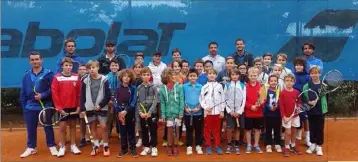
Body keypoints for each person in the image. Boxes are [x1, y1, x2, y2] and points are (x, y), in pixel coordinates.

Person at [20, 51, 58, 158]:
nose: (35, 61)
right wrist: (24, 108)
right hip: (29, 107)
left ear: (41, 60)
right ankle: (31, 147)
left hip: (45, 106)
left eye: (37, 59)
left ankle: (51, 145)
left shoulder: (49, 74)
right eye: (32, 60)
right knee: (31, 128)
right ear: (29, 61)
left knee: (48, 126)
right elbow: (23, 92)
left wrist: (43, 95)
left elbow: (53, 89)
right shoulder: (26, 75)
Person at [52, 57, 82, 157]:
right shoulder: (57, 77)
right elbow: (55, 94)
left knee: (73, 127)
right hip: (62, 108)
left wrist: (78, 106)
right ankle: (62, 147)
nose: (68, 67)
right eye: (66, 65)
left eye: (70, 65)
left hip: (73, 107)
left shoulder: (77, 77)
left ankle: (73, 145)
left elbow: (79, 93)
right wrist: (59, 108)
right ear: (62, 66)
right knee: (62, 127)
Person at [80, 60, 111, 156]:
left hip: (101, 108)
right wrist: (82, 108)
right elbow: (82, 95)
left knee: (103, 126)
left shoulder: (104, 79)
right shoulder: (85, 80)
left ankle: (105, 146)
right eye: (89, 68)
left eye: (93, 67)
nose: (91, 70)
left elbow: (108, 95)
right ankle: (96, 146)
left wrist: (100, 105)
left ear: (98, 67)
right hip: (89, 107)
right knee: (92, 127)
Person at [159, 68, 184, 156]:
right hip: (168, 114)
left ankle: (176, 146)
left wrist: (181, 112)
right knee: (169, 130)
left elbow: (181, 100)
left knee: (177, 130)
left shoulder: (179, 87)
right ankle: (169, 146)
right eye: (171, 75)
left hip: (177, 113)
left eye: (174, 75)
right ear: (166, 77)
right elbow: (162, 103)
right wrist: (163, 114)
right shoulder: (162, 89)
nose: (174, 76)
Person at [199, 69, 225, 155]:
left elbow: (222, 99)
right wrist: (206, 108)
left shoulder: (220, 86)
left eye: (214, 73)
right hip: (208, 113)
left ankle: (217, 146)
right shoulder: (204, 87)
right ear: (207, 75)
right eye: (210, 73)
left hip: (217, 113)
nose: (212, 75)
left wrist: (221, 111)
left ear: (216, 75)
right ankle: (208, 146)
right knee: (207, 130)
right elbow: (201, 100)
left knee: (217, 130)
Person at [304, 66, 327, 156]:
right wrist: (309, 102)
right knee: (312, 128)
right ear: (310, 74)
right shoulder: (307, 85)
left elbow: (326, 97)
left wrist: (323, 106)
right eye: (312, 73)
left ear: (320, 74)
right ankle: (312, 144)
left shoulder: (324, 85)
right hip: (311, 110)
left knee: (319, 128)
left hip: (320, 110)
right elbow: (304, 97)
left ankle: (319, 146)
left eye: (316, 73)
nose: (314, 75)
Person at [115, 69, 138, 158]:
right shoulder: (118, 88)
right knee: (123, 132)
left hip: (130, 113)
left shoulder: (133, 88)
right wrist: (119, 111)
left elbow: (134, 101)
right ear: (121, 77)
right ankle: (123, 149)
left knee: (131, 131)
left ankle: (133, 148)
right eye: (124, 76)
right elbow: (115, 100)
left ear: (131, 78)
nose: (126, 78)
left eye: (128, 76)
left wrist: (126, 110)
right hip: (120, 114)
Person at [137, 67, 159, 157]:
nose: (146, 76)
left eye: (147, 75)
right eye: (144, 75)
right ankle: (146, 146)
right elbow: (137, 101)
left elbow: (155, 101)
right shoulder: (139, 88)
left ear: (150, 76)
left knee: (153, 130)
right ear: (141, 76)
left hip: (152, 113)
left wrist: (150, 112)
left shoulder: (153, 87)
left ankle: (154, 147)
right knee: (144, 130)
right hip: (143, 114)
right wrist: (140, 112)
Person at [224, 68, 246, 155]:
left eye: (236, 74)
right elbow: (225, 99)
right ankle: (229, 144)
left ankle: (236, 144)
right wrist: (229, 111)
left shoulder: (243, 85)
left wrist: (239, 111)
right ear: (230, 76)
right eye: (232, 75)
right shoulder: (227, 85)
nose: (234, 76)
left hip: (239, 112)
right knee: (229, 129)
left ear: (239, 76)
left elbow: (244, 99)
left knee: (237, 128)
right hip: (230, 112)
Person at [279, 74, 302, 157]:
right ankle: (286, 147)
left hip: (295, 116)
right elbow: (281, 105)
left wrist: (298, 108)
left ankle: (293, 146)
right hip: (286, 117)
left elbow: (299, 103)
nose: (289, 83)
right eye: (287, 81)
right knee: (287, 132)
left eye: (291, 81)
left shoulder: (297, 92)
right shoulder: (282, 93)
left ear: (294, 82)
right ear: (284, 82)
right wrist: (283, 116)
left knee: (294, 131)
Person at [183, 68, 204, 155]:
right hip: (188, 112)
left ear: (197, 77)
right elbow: (182, 98)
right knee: (189, 129)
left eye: (194, 76)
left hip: (198, 112)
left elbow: (203, 99)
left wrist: (199, 107)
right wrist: (185, 108)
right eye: (191, 76)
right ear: (188, 77)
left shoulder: (201, 87)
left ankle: (198, 145)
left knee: (198, 130)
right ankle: (189, 146)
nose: (192, 78)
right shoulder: (184, 87)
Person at [244, 67, 264, 154]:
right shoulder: (245, 87)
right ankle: (249, 145)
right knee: (248, 129)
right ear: (248, 76)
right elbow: (243, 100)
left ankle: (256, 144)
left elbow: (264, 99)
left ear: (258, 76)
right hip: (248, 112)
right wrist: (250, 106)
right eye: (251, 75)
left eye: (255, 75)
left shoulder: (261, 87)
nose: (253, 77)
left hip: (259, 113)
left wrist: (259, 105)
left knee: (257, 129)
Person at [292, 57, 311, 147]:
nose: (298, 67)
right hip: (294, 101)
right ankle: (298, 134)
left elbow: (309, 89)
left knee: (305, 118)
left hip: (304, 101)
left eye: (300, 65)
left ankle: (307, 138)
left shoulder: (307, 76)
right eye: (296, 65)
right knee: (296, 117)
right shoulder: (292, 75)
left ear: (304, 66)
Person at [263, 75, 282, 153]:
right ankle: (268, 144)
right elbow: (265, 102)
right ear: (268, 82)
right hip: (268, 114)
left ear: (277, 82)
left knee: (277, 130)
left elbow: (281, 102)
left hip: (277, 114)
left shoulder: (279, 91)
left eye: (275, 81)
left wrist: (276, 107)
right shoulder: (266, 91)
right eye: (271, 81)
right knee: (268, 130)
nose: (273, 82)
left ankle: (277, 144)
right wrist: (269, 107)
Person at [106, 59, 121, 141]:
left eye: (116, 65)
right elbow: (105, 90)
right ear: (109, 67)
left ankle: (120, 133)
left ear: (118, 67)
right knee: (109, 118)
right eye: (112, 65)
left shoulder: (121, 76)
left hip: (119, 100)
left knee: (119, 117)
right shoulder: (106, 77)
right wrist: (109, 100)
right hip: (109, 101)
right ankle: (107, 133)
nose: (114, 67)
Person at [78, 64, 90, 147]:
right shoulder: (75, 79)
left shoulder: (89, 79)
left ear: (87, 70)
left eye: (84, 69)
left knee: (92, 121)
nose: (82, 70)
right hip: (80, 103)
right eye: (80, 69)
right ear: (78, 71)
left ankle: (92, 137)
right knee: (82, 121)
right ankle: (83, 137)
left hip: (89, 103)